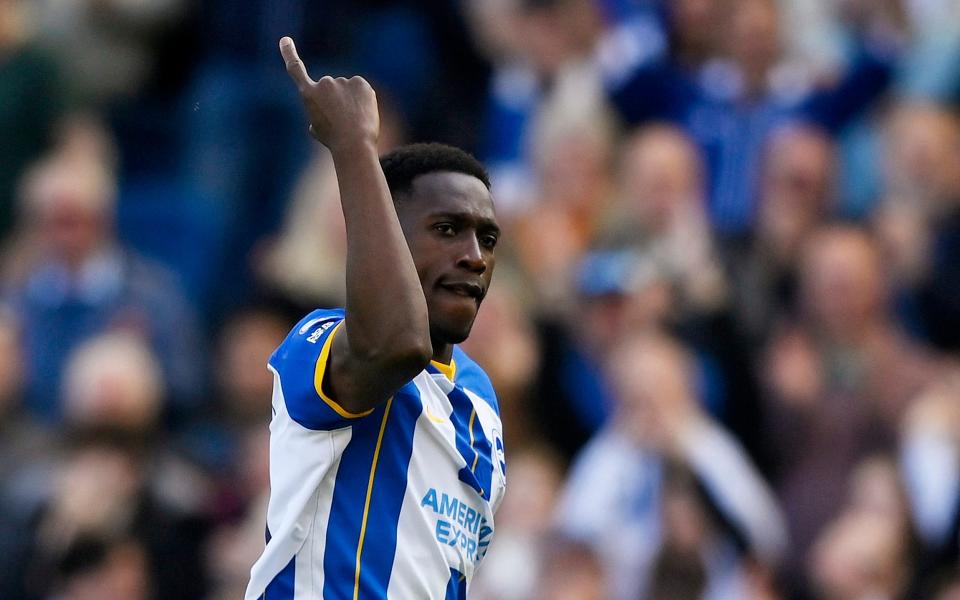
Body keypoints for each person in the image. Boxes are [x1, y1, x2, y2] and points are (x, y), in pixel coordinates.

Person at [244, 37, 506, 599]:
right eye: (446, 230)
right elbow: (395, 344)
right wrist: (354, 147)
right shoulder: (319, 343)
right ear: (386, 235)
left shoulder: (482, 402)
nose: (475, 256)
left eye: (487, 238)